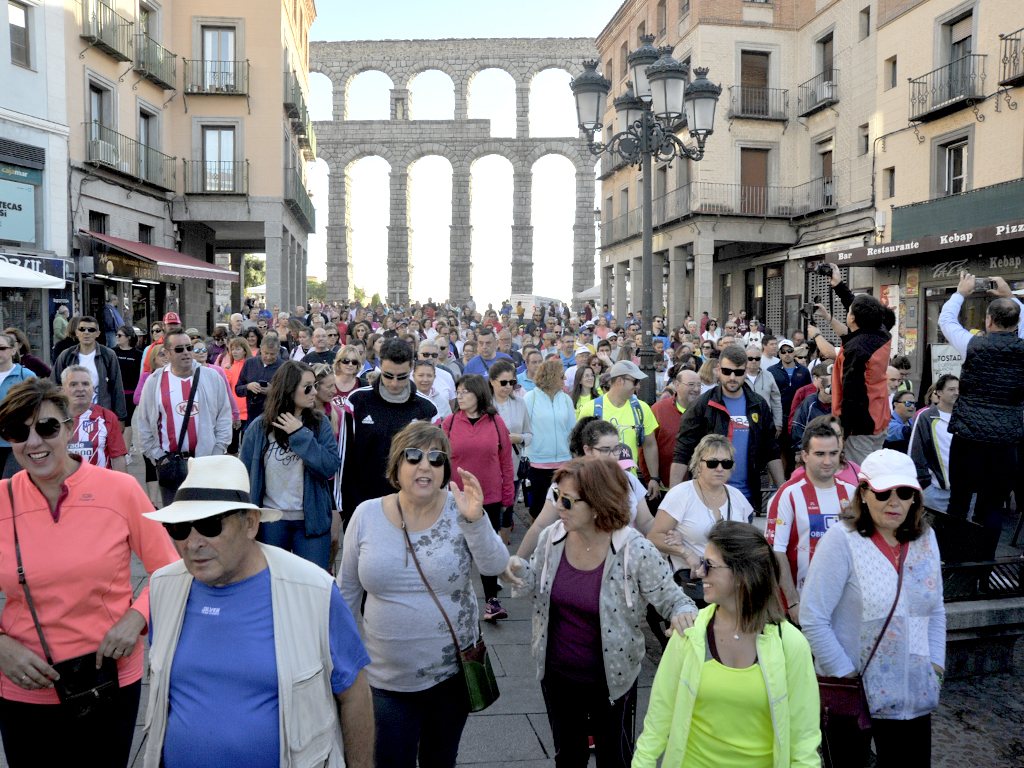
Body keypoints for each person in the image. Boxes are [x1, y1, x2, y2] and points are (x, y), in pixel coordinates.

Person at [142, 456, 373, 768]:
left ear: (249, 524)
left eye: (210, 525)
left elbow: (355, 695)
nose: (192, 543)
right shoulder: (164, 587)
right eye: (180, 528)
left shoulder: (313, 590)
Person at [0, 377, 180, 767]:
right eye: (18, 431)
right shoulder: (2, 499)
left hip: (107, 679)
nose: (33, 443)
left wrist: (137, 617)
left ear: (69, 427)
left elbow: (170, 569)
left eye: (46, 428)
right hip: (24, 684)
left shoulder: (120, 490)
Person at [505, 457, 697, 768]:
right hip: (556, 673)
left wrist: (683, 615)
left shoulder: (635, 550)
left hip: (613, 678)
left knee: (614, 758)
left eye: (567, 500)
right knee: (568, 757)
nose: (558, 507)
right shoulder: (552, 537)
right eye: (556, 496)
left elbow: (674, 599)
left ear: (597, 504)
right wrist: (514, 569)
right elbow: (533, 586)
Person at [340, 422, 508, 768]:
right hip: (384, 680)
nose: (424, 466)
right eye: (413, 456)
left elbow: (495, 564)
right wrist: (341, 664)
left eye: (436, 458)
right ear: (396, 466)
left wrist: (475, 520)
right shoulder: (366, 515)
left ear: (445, 469)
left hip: (449, 675)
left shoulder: (460, 510)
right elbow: (345, 594)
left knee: (439, 761)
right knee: (390, 762)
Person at [633, 520, 821, 768]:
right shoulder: (689, 634)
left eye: (708, 565)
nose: (699, 573)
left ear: (743, 575)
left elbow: (804, 739)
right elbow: (658, 719)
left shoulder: (791, 644)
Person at [801, 450, 945, 768]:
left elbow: (935, 610)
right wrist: (848, 675)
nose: (894, 502)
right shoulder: (841, 540)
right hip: (854, 693)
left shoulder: (926, 538)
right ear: (864, 493)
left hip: (911, 692)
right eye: (883, 492)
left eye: (904, 492)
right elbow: (813, 616)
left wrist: (935, 669)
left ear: (915, 498)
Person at [938, 271, 1024, 521]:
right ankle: (985, 558)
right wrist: (1012, 298)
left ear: (988, 321)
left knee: (959, 500)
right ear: (1017, 323)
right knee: (993, 504)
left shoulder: (971, 344)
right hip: (1006, 439)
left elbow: (946, 321)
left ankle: (955, 556)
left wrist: (960, 294)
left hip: (968, 434)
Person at [240, 360, 340, 570]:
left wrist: (300, 434)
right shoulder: (259, 428)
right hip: (271, 522)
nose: (314, 391)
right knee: (272, 586)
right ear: (288, 390)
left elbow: (329, 466)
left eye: (315, 385)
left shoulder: (320, 424)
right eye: (308, 387)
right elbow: (244, 475)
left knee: (312, 586)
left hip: (310, 522)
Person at [671, 345, 785, 512]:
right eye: (727, 371)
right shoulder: (702, 405)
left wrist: (782, 492)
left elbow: (771, 451)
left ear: (746, 371)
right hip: (706, 500)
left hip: (746, 500)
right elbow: (682, 452)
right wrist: (673, 501)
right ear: (718, 370)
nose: (732, 377)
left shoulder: (758, 405)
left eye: (738, 373)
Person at [338, 338, 439, 527]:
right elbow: (345, 458)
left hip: (411, 509)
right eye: (388, 375)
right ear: (378, 365)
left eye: (402, 377)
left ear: (411, 368)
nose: (394, 383)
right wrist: (341, 507)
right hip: (364, 506)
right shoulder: (358, 401)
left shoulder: (427, 409)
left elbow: (437, 463)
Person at [648, 434, 754, 608]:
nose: (719, 468)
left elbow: (746, 544)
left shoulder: (737, 497)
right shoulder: (682, 494)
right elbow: (654, 536)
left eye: (726, 463)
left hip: (731, 587)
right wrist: (686, 552)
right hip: (693, 586)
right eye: (712, 463)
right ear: (698, 464)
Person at [766, 422, 856, 624]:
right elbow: (776, 551)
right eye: (820, 454)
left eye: (833, 453)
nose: (827, 461)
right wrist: (792, 602)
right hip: (800, 603)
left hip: (842, 601)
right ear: (805, 456)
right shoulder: (788, 494)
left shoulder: (852, 493)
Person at [442, 374, 514, 621]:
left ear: (478, 394)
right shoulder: (450, 423)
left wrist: (508, 496)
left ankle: (492, 601)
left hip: (489, 497)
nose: (459, 396)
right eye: (458, 392)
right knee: (456, 550)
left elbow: (506, 461)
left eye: (465, 392)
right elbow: (440, 459)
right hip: (456, 498)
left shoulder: (495, 422)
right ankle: (453, 600)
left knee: (486, 549)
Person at [138, 329, 234, 506]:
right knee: (178, 526)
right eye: (179, 349)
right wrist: (158, 456)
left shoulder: (212, 377)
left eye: (189, 348)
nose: (186, 353)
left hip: (206, 463)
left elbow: (224, 417)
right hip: (171, 465)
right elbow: (144, 423)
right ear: (167, 353)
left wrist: (218, 450)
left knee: (206, 522)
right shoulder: (154, 382)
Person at [809, 265, 892, 465]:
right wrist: (838, 285)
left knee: (858, 477)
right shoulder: (881, 333)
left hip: (860, 427)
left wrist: (843, 431)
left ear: (852, 318)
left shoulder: (856, 349)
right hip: (879, 418)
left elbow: (851, 394)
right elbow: (863, 309)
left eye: (850, 311)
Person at [576, 360, 660, 497]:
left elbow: (650, 445)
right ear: (620, 380)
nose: (638, 386)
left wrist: (654, 478)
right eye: (635, 381)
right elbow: (580, 448)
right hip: (597, 483)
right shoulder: (591, 408)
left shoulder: (641, 408)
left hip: (628, 483)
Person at [522, 358, 576, 521]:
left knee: (562, 507)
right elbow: (526, 429)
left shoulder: (566, 399)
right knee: (538, 508)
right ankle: (538, 542)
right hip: (537, 463)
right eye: (561, 376)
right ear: (551, 377)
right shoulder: (530, 398)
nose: (565, 379)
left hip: (563, 462)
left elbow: (571, 430)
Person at [488, 358, 532, 545]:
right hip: (489, 467)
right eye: (503, 382)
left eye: (512, 382)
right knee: (490, 513)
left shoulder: (520, 403)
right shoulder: (485, 405)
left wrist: (518, 438)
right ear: (492, 381)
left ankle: (502, 554)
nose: (508, 387)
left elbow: (529, 434)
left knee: (508, 511)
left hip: (512, 467)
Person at [52, 316, 127, 423]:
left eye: (91, 330)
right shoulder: (67, 355)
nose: (86, 332)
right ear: (77, 332)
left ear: (97, 333)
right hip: (72, 417)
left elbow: (117, 387)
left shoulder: (108, 355)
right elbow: (54, 385)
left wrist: (120, 418)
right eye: (82, 329)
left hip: (101, 416)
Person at [61, 365, 128, 472]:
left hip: (99, 485)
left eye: (85, 384)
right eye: (73, 384)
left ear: (93, 390)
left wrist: (123, 487)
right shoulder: (55, 418)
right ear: (63, 390)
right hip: (65, 486)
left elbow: (118, 459)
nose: (80, 389)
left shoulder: (107, 417)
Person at [646, 369, 702, 496]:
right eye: (691, 384)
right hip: (663, 487)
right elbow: (647, 446)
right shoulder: (659, 409)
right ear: (677, 385)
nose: (696, 389)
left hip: (698, 488)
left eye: (699, 385)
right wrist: (651, 478)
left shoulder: (705, 410)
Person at [909, 374, 959, 513]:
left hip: (962, 493)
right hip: (934, 491)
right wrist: (925, 485)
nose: (956, 393)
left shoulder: (965, 416)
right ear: (939, 392)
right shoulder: (926, 417)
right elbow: (915, 451)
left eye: (958, 389)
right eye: (951, 389)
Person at [768, 339, 812, 470]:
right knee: (781, 449)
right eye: (783, 351)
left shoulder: (803, 371)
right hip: (780, 415)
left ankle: (797, 477)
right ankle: (782, 481)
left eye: (790, 351)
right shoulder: (772, 371)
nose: (787, 354)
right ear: (779, 353)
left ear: (794, 352)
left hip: (799, 416)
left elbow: (808, 392)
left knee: (799, 449)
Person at [0, 333, 37, 479]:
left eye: (2, 348)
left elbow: (36, 409)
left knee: (13, 485)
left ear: (13, 350)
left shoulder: (25, 375)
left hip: (15, 443)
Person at [235, 334, 286, 427]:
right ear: (260, 349)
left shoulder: (284, 367)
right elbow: (238, 389)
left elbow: (290, 396)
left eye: (272, 354)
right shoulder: (250, 363)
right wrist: (248, 387)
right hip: (252, 419)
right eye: (266, 353)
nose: (269, 357)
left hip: (274, 420)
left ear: (278, 351)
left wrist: (272, 392)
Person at [112, 325, 142, 458]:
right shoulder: (112, 352)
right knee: (116, 421)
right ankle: (125, 445)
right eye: (116, 335)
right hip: (115, 392)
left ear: (129, 337)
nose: (117, 338)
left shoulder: (138, 355)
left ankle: (126, 452)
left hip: (130, 392)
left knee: (127, 420)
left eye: (120, 335)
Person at [790, 363, 833, 446]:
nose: (832, 395)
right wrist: (800, 449)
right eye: (829, 391)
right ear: (821, 387)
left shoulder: (838, 403)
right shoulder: (809, 403)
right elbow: (797, 426)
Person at [745, 343, 783, 431]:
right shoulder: (739, 376)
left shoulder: (768, 376)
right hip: (745, 422)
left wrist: (778, 424)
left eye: (757, 359)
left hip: (765, 422)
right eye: (750, 358)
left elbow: (776, 401)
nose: (754, 361)